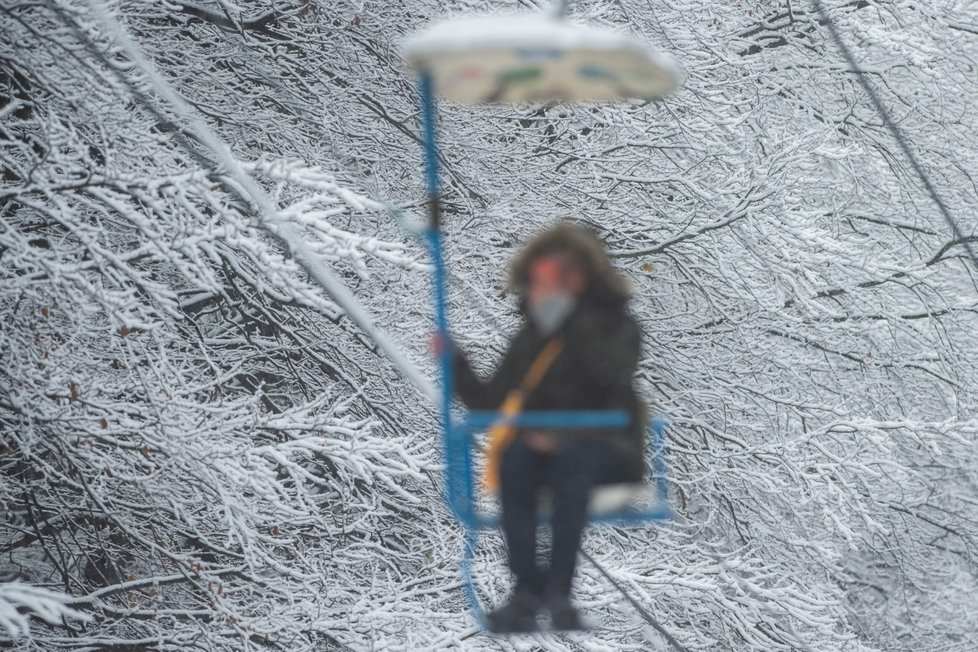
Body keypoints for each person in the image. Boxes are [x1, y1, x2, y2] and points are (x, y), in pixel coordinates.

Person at [449, 222, 645, 632]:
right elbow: (490, 400)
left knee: (570, 461)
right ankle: (526, 591)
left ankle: (559, 591)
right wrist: (456, 363)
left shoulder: (616, 324)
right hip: (539, 450)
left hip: (606, 448)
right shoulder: (533, 334)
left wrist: (570, 321)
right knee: (514, 461)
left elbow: (611, 373)